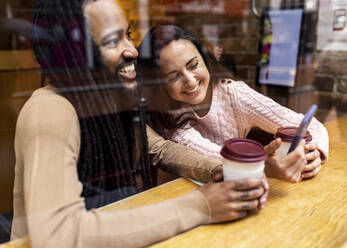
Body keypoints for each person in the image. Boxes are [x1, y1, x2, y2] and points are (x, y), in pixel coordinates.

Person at [11, 1, 268, 247]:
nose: (132, 50)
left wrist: (215, 170)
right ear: (76, 52)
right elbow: (58, 234)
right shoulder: (49, 109)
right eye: (113, 40)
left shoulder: (109, 103)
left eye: (128, 34)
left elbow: (159, 148)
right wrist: (202, 206)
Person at [138, 24, 329, 183]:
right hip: (184, 196)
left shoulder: (232, 93)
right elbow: (214, 157)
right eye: (173, 77)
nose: (190, 80)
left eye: (193, 65)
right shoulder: (166, 114)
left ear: (205, 59)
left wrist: (314, 153)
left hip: (235, 188)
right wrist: (262, 164)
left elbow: (309, 124)